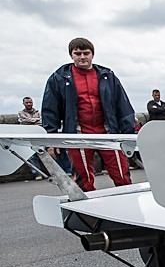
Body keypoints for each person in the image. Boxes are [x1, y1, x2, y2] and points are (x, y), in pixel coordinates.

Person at [42, 37, 134, 192]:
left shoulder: (108, 76)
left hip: (108, 133)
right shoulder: (58, 78)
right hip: (78, 134)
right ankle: (88, 213)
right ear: (71, 55)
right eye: (78, 53)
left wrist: (129, 134)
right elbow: (50, 109)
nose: (82, 57)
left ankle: (130, 207)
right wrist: (51, 138)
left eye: (86, 53)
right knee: (84, 181)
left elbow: (123, 105)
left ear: (92, 54)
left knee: (122, 176)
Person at [18, 97, 47, 179]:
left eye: (30, 102)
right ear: (23, 103)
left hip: (39, 136)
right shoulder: (21, 113)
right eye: (27, 103)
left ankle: (47, 173)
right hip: (28, 137)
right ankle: (37, 174)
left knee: (42, 153)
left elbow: (42, 121)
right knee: (31, 156)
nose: (29, 104)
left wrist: (30, 120)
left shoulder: (38, 112)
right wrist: (35, 120)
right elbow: (23, 121)